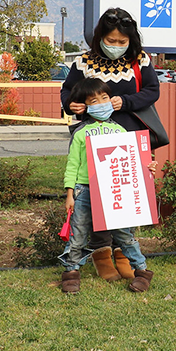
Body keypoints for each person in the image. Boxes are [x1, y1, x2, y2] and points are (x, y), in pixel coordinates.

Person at [61, 8, 161, 282]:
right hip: (93, 142)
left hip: (130, 141)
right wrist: (72, 104)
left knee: (125, 198)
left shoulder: (140, 60)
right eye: (111, 40)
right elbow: (67, 91)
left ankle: (123, 254)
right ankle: (101, 253)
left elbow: (153, 91)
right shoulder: (83, 62)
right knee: (94, 198)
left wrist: (124, 102)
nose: (116, 46)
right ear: (99, 37)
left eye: (122, 42)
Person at [61, 77, 154, 293]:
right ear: (85, 106)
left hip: (115, 188)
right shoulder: (80, 133)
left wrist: (147, 168)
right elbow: (72, 165)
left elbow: (133, 161)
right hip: (84, 190)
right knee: (78, 233)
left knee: (123, 233)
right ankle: (71, 272)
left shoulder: (121, 131)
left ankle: (141, 271)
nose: (101, 103)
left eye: (104, 97)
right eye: (94, 100)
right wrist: (69, 194)